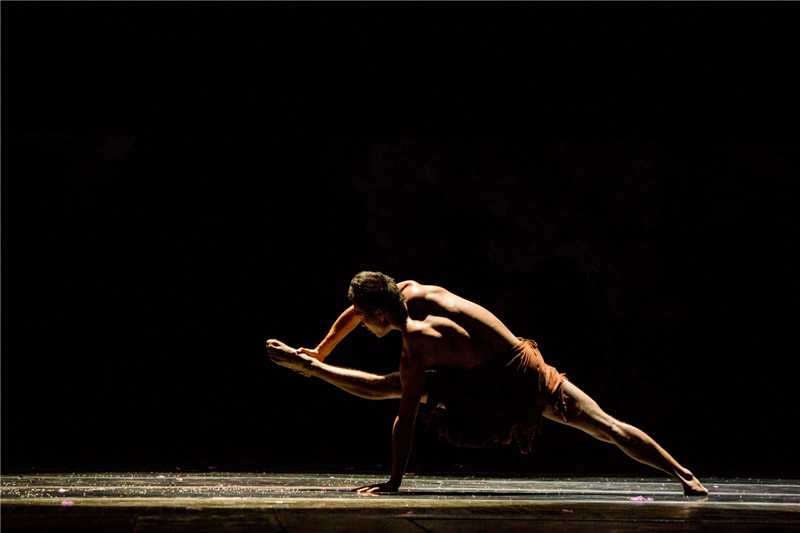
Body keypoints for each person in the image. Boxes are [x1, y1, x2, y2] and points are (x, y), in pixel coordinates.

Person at [266, 271, 708, 496]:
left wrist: (394, 481)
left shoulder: (417, 345)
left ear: (380, 314)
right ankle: (683, 473)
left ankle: (682, 473)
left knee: (603, 426)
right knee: (394, 384)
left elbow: (405, 419)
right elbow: (351, 312)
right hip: (485, 369)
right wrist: (320, 350)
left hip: (517, 376)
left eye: (363, 319)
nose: (358, 325)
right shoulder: (409, 290)